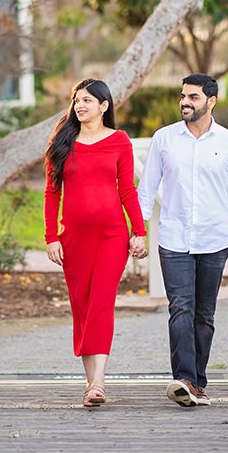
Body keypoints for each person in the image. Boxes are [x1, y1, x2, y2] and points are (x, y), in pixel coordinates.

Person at [137, 73, 228, 407]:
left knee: (204, 313)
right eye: (183, 96)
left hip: (215, 239)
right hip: (173, 238)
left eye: (194, 97)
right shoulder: (164, 139)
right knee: (181, 308)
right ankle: (184, 378)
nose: (185, 102)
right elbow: (145, 192)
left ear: (211, 101)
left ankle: (198, 382)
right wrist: (138, 232)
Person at [44, 78, 148, 407]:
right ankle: (90, 382)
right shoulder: (62, 142)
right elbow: (51, 194)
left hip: (111, 237)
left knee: (101, 302)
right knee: (82, 307)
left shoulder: (119, 141)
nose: (80, 105)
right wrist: (51, 237)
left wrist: (139, 231)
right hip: (73, 239)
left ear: (104, 106)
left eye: (88, 100)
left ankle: (99, 382)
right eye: (77, 100)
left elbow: (127, 190)